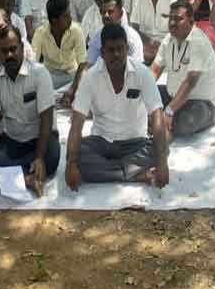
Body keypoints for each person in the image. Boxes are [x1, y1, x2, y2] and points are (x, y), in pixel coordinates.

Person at [66, 24, 169, 190]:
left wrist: (162, 162)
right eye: (111, 50)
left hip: (136, 143)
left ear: (127, 49)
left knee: (161, 149)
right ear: (102, 53)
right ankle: (134, 174)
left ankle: (109, 172)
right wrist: (71, 163)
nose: (117, 55)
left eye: (120, 49)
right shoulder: (90, 77)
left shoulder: (142, 73)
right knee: (76, 154)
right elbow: (77, 122)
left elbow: (157, 115)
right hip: (102, 142)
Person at [0, 26, 60, 197]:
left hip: (40, 141)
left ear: (22, 48)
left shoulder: (39, 73)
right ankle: (27, 178)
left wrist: (39, 158)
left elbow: (46, 120)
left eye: (13, 49)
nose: (9, 55)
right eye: (4, 51)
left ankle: (5, 174)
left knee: (52, 156)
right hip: (13, 142)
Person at [151, 1, 215, 138]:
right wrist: (144, 92)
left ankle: (159, 122)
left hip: (203, 103)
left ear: (191, 21)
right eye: (170, 18)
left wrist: (169, 111)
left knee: (186, 123)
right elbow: (154, 70)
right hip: (175, 96)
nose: (172, 23)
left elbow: (190, 82)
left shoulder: (198, 41)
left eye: (178, 19)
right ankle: (161, 122)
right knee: (141, 97)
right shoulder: (168, 39)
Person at [64, 0, 144, 106]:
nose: (105, 15)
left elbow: (138, 72)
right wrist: (77, 93)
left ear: (120, 14)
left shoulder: (132, 37)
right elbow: (86, 66)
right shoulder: (98, 36)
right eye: (103, 12)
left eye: (110, 12)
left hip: (128, 90)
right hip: (104, 86)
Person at [31, 0, 86, 89]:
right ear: (54, 20)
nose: (70, 19)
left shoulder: (76, 30)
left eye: (70, 14)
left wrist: (73, 88)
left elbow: (83, 63)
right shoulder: (40, 32)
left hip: (72, 75)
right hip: (49, 75)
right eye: (66, 16)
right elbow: (33, 62)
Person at [131, 0, 177, 64]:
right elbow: (134, 28)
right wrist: (149, 42)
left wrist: (164, 44)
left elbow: (176, 23)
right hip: (146, 44)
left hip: (166, 42)